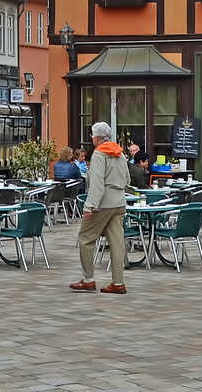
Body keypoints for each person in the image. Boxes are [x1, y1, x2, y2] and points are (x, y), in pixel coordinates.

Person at [71, 122, 130, 294]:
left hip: (103, 203)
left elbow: (97, 183)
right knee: (117, 242)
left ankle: (88, 279)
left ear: (97, 138)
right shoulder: (120, 154)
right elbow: (127, 179)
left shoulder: (99, 155)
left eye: (92, 135)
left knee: (85, 237)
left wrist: (90, 206)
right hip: (119, 202)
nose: (91, 138)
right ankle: (118, 282)